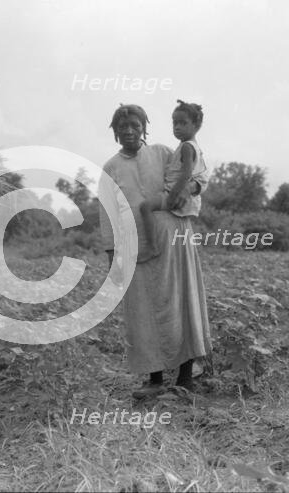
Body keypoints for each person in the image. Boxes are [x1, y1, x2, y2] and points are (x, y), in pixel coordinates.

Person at [98, 104, 212, 398]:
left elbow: (197, 173)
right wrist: (112, 254)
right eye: (123, 128)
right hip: (135, 246)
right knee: (142, 311)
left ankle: (185, 378)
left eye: (135, 126)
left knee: (180, 302)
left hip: (174, 237)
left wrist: (192, 190)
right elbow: (108, 214)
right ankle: (155, 379)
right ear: (115, 133)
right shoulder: (110, 168)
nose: (129, 131)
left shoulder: (162, 153)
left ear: (144, 128)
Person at [137, 100, 207, 262]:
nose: (177, 127)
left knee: (145, 207)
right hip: (175, 193)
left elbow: (186, 174)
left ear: (197, 125)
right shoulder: (188, 146)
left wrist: (173, 196)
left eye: (183, 123)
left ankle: (152, 247)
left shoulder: (187, 147)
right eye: (175, 123)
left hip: (173, 193)